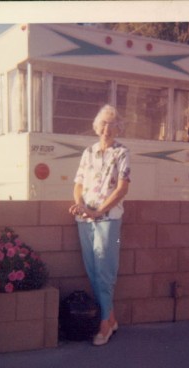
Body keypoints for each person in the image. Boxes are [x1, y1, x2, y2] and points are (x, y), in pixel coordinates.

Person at [69, 105, 131, 346]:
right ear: (97, 127)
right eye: (103, 124)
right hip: (84, 220)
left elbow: (122, 188)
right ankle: (111, 317)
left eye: (112, 124)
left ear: (118, 128)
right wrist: (80, 206)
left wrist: (98, 211)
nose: (107, 128)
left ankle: (104, 324)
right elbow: (78, 183)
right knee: (93, 270)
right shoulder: (88, 152)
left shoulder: (122, 152)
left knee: (106, 271)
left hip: (109, 221)